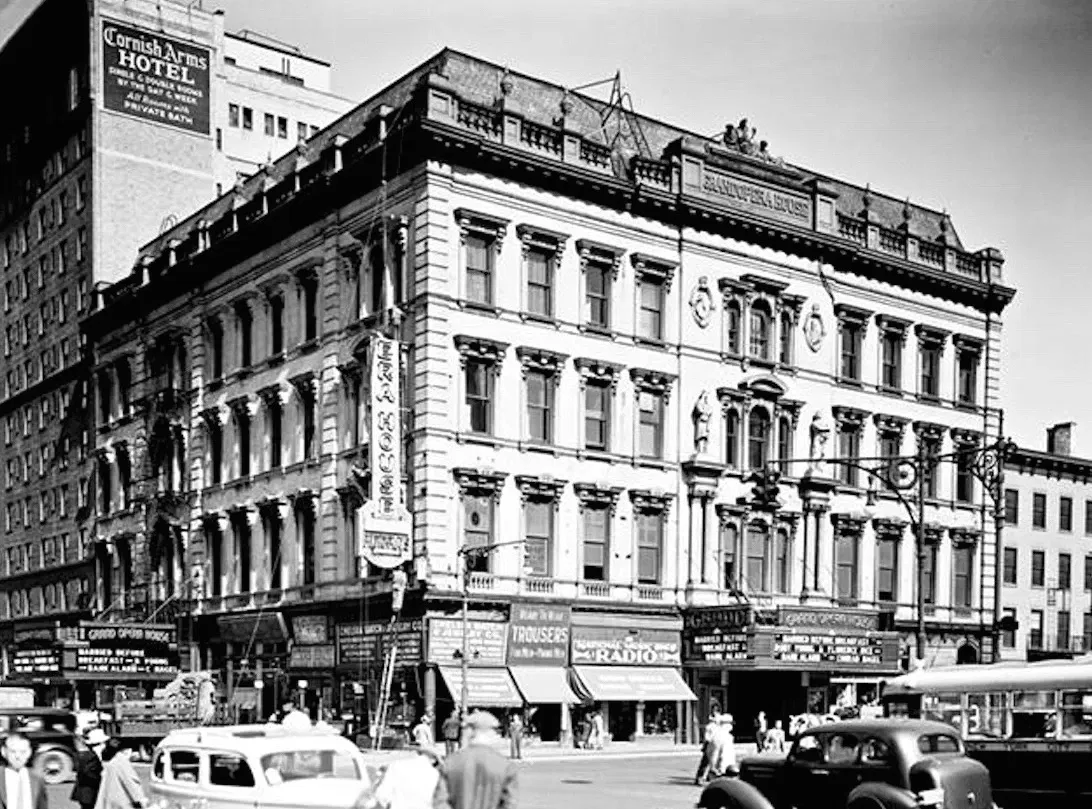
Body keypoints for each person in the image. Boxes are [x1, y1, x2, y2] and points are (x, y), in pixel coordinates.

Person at [433, 711, 518, 809]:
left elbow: (440, 802)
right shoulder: (505, 766)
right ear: (489, 733)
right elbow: (509, 803)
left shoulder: (451, 763)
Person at [374, 745, 442, 809]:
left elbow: (382, 795)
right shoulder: (436, 775)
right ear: (434, 760)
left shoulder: (396, 766)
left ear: (418, 753)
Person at [94, 738, 146, 809]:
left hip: (110, 798)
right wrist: (139, 800)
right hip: (122, 800)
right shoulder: (121, 760)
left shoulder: (108, 759)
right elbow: (130, 782)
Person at [1, 732, 48, 809]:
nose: (18, 756)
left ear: (29, 752)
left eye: (23, 752)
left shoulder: (37, 778)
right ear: (3, 752)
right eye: (13, 751)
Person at [72, 728, 108, 809]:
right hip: (89, 794)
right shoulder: (92, 758)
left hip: (85, 794)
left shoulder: (85, 756)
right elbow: (89, 774)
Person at [694, 711, 719, 785]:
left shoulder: (714, 727)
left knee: (708, 762)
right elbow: (707, 737)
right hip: (711, 744)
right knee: (707, 762)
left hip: (712, 744)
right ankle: (701, 777)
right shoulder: (712, 727)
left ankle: (705, 777)